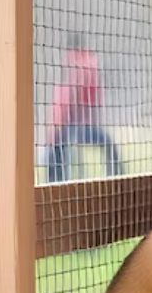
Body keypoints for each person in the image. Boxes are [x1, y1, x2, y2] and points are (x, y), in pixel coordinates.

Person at [47, 33, 123, 183]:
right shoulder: (89, 63)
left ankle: (56, 182)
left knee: (57, 148)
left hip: (77, 126)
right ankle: (116, 176)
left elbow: (73, 95)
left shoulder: (79, 63)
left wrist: (58, 126)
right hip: (81, 125)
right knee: (107, 145)